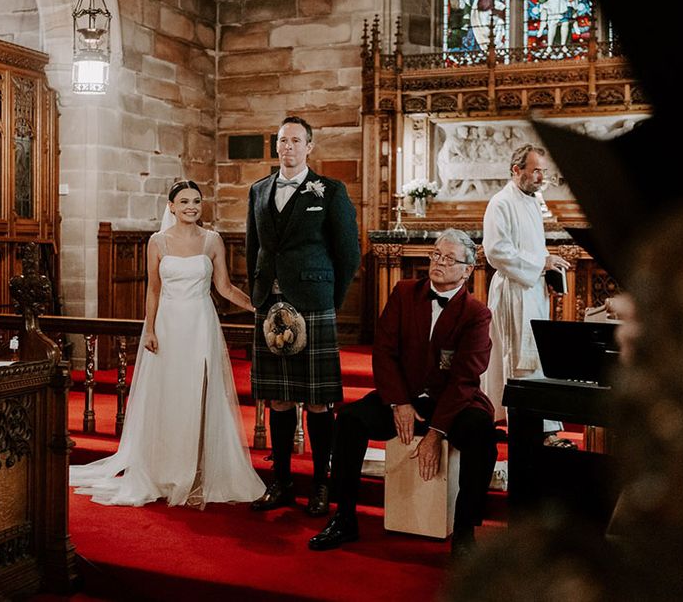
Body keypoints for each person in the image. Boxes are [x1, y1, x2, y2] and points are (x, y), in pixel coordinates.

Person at [70, 180, 265, 507]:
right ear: (171, 206)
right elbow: (154, 289)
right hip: (167, 326)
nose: (191, 206)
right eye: (185, 201)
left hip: (200, 324)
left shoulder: (212, 240)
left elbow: (226, 287)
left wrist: (260, 309)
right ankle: (165, 470)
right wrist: (150, 330)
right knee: (169, 396)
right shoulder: (157, 242)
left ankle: (199, 473)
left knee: (199, 396)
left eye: (197, 201)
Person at [309, 229, 498, 557]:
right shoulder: (403, 292)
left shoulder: (476, 313)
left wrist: (437, 432)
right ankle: (344, 517)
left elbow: (466, 377)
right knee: (351, 420)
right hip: (404, 395)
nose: (439, 262)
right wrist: (399, 402)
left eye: (449, 258)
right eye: (436, 255)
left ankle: (465, 533)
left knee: (481, 435)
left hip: (451, 403)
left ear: (467, 269)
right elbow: (383, 351)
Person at [246, 115, 360, 517]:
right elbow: (253, 247)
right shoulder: (258, 190)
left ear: (309, 147)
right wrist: (259, 295)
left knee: (316, 402)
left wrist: (328, 298)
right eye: (282, 141)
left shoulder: (330, 190)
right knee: (277, 399)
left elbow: (348, 253)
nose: (288, 147)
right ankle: (281, 482)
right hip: (269, 305)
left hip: (314, 303)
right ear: (276, 146)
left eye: (296, 141)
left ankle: (322, 485)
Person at [481, 144, 570, 445]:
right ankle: (522, 420)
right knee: (518, 358)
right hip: (513, 292)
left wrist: (548, 273)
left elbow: (534, 247)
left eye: (543, 171)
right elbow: (496, 251)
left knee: (535, 356)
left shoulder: (532, 201)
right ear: (516, 170)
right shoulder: (501, 203)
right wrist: (539, 264)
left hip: (532, 289)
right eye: (535, 170)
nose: (540, 176)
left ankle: (539, 422)